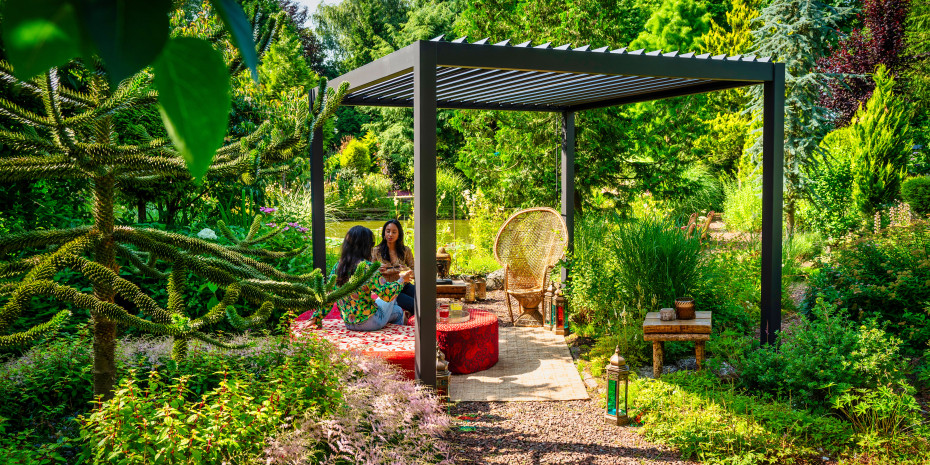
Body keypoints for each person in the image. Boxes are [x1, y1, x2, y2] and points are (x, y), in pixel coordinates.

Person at [332, 225, 412, 331]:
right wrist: (402, 280)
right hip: (370, 322)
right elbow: (388, 295)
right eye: (371, 244)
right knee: (397, 309)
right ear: (365, 246)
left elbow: (329, 296)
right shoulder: (368, 267)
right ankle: (398, 337)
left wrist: (316, 318)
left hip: (348, 323)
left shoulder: (338, 266)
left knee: (397, 309)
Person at [372, 219, 417, 316]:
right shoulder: (376, 251)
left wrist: (407, 270)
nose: (390, 234)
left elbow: (415, 272)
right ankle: (413, 325)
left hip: (404, 285)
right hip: (389, 289)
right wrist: (376, 270)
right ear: (384, 233)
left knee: (423, 298)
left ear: (399, 234)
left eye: (394, 232)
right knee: (414, 304)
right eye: (388, 231)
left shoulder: (406, 250)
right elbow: (368, 273)